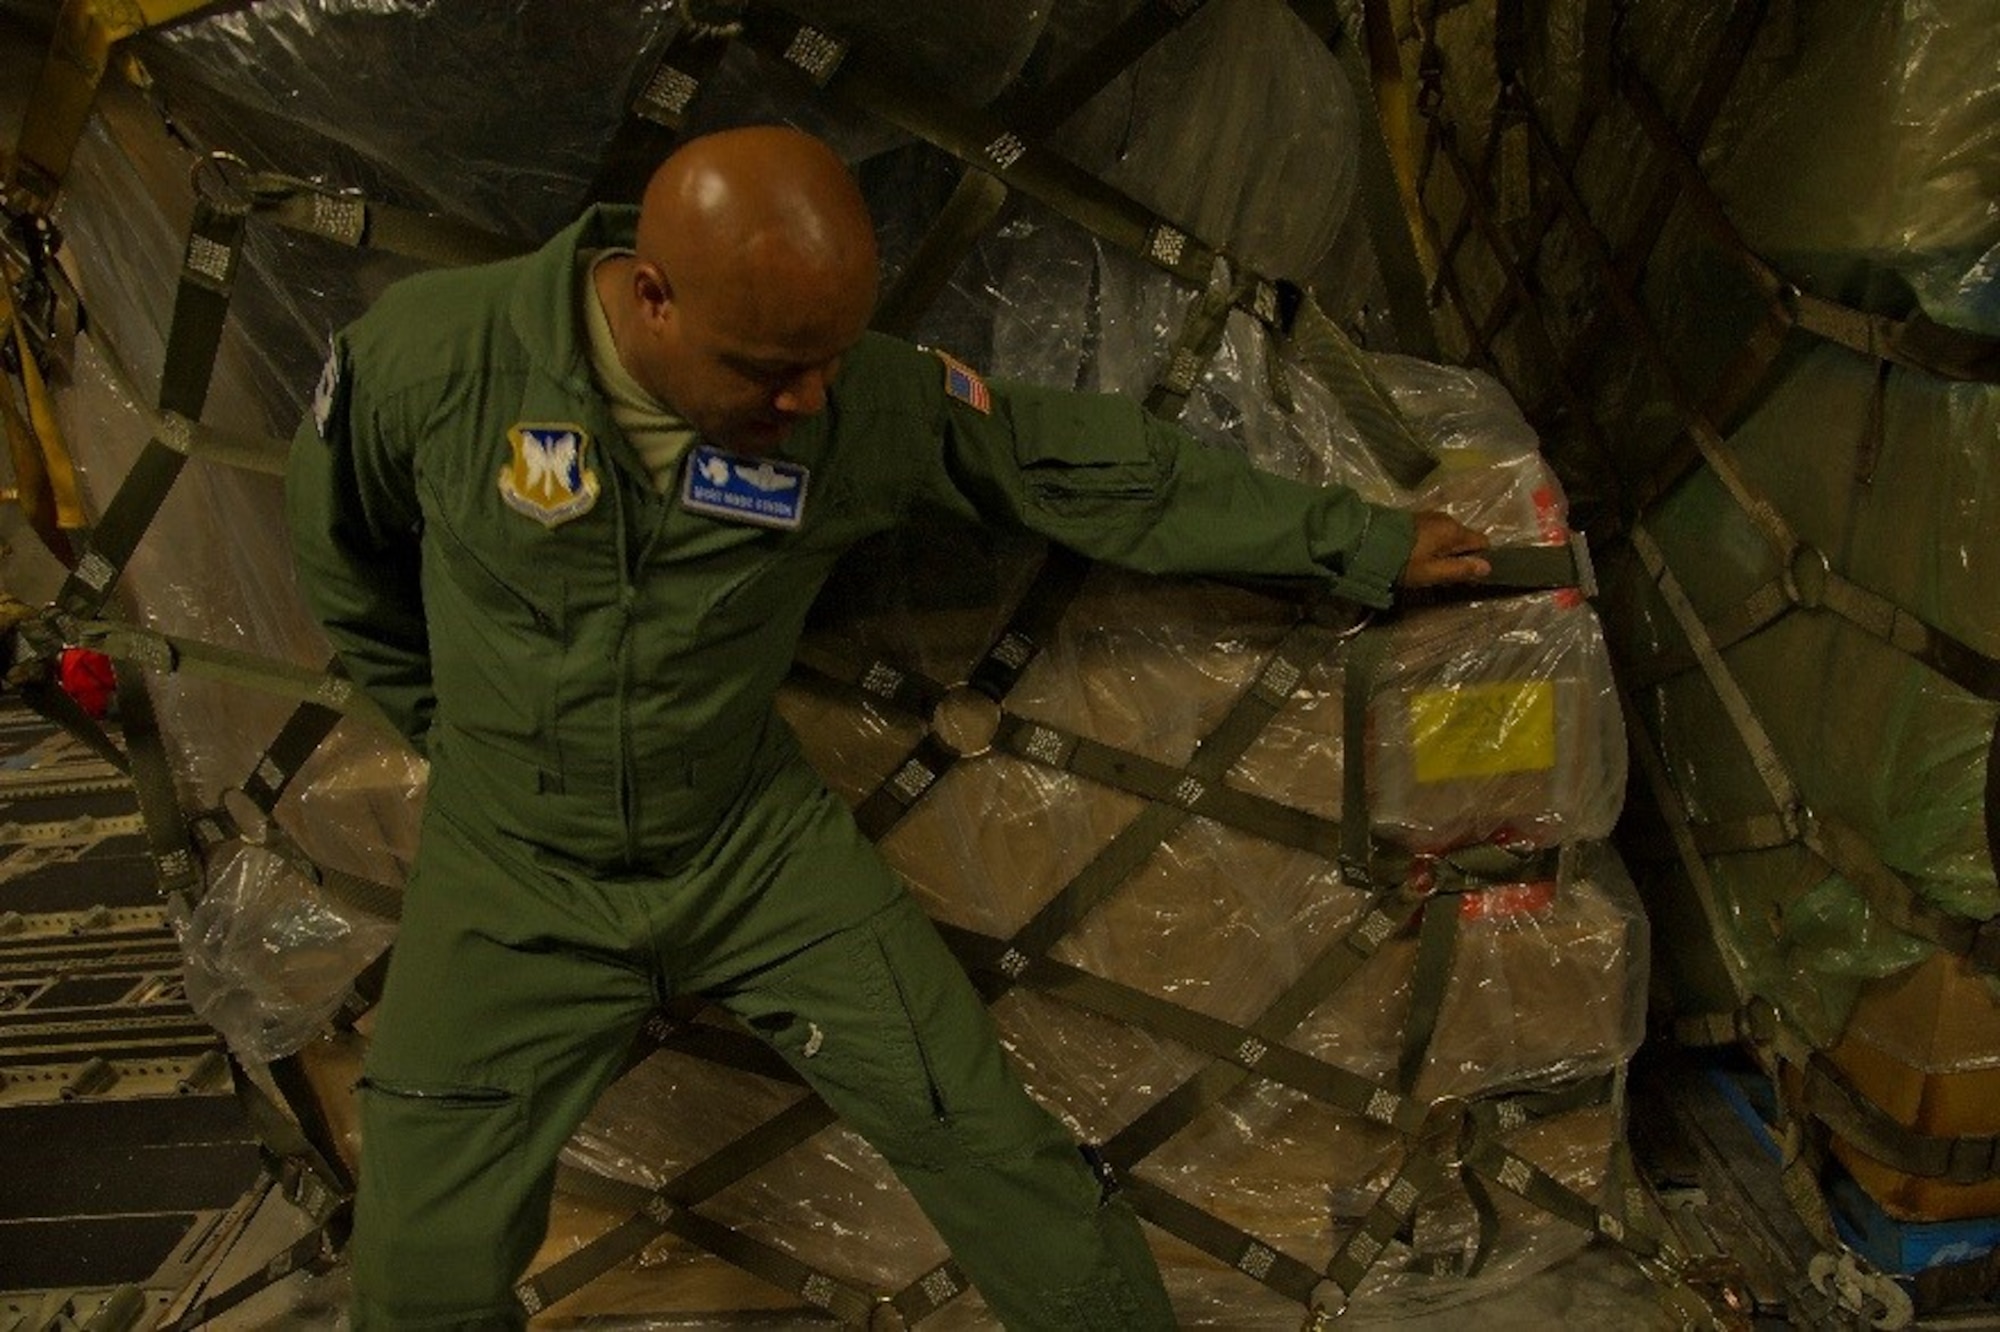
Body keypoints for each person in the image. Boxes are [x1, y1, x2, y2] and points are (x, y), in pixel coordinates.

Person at [286, 124, 1490, 1331]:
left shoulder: (848, 404)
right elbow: (344, 556)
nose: (806, 398)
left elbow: (1068, 464)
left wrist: (1357, 542)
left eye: (826, 360)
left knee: (991, 1147)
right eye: (768, 370)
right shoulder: (439, 363)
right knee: (420, 1264)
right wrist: (468, 737)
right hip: (513, 872)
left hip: (746, 853)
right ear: (650, 297)